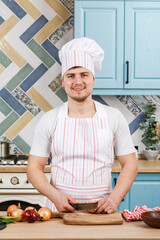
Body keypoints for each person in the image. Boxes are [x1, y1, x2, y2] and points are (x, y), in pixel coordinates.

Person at [27, 37, 138, 214]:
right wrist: (55, 196)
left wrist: (113, 200)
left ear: (93, 79)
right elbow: (33, 168)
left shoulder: (113, 117)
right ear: (63, 82)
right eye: (70, 76)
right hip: (59, 212)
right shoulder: (50, 119)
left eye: (84, 74)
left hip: (101, 211)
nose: (77, 82)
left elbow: (130, 163)